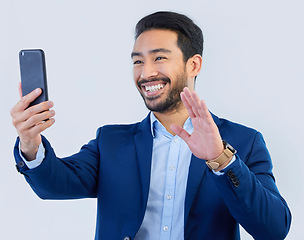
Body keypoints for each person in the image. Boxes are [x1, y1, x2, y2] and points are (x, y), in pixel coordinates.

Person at [11, 11, 291, 240]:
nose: (146, 73)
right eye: (137, 61)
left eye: (159, 58)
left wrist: (221, 159)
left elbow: (274, 229)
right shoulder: (111, 142)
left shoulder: (243, 141)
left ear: (193, 65)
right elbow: (53, 185)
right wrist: (30, 143)